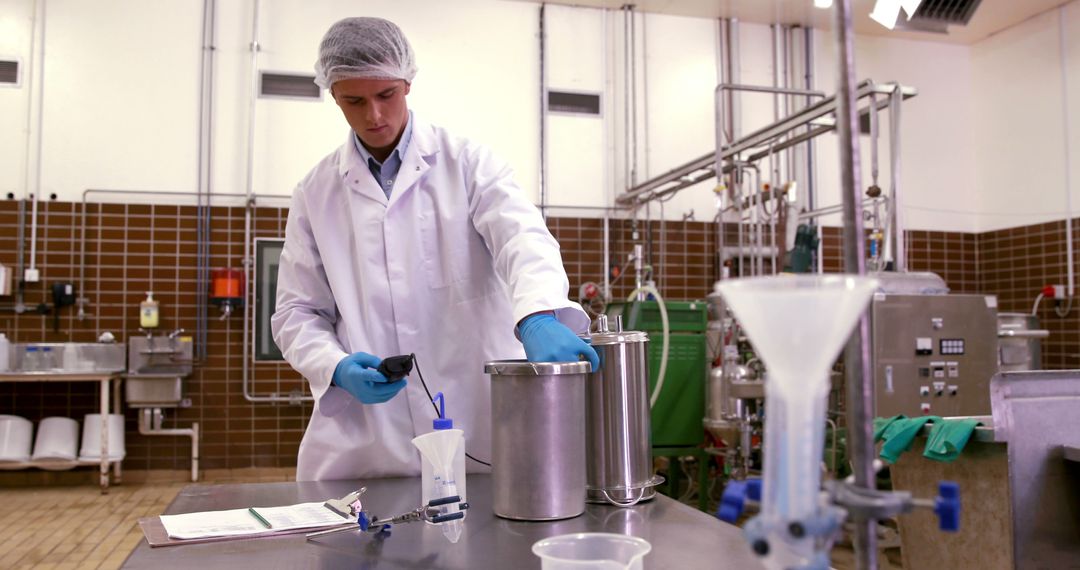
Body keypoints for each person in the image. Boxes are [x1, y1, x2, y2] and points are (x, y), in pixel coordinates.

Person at [271, 16, 599, 481]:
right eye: (354, 101)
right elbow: (296, 312)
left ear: (407, 83)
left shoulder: (469, 164)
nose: (374, 116)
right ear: (333, 94)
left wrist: (538, 315)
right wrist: (336, 366)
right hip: (369, 448)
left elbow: (523, 240)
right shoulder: (316, 191)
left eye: (386, 95)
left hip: (480, 428)